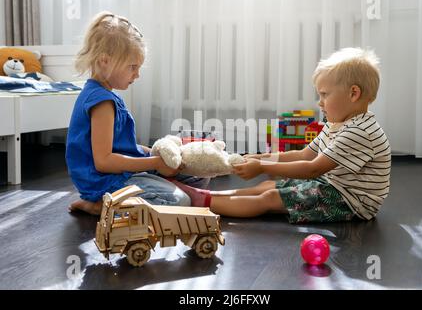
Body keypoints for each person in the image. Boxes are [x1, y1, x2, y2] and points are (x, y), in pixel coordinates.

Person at [172, 47, 391, 223]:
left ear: (353, 93)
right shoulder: (338, 124)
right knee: (268, 186)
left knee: (269, 198)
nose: (319, 102)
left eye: (324, 94)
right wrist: (259, 158)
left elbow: (312, 168)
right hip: (332, 185)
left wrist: (263, 167)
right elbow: (306, 155)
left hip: (349, 202)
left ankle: (197, 203)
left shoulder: (358, 132)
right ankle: (206, 195)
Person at [66, 12, 208, 215]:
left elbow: (122, 146)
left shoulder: (106, 95)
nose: (137, 74)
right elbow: (104, 161)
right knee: (179, 201)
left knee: (196, 174)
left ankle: (158, 185)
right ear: (105, 61)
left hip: (120, 173)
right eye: (132, 67)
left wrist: (154, 154)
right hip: (105, 182)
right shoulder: (101, 102)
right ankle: (99, 205)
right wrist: (155, 163)